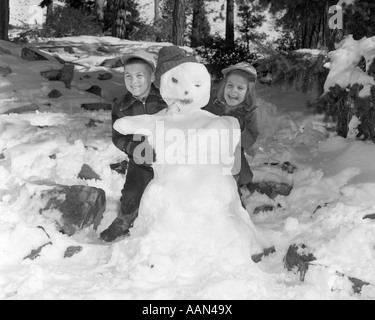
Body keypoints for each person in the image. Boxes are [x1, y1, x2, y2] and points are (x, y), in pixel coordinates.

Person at [100, 50, 168, 242]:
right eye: (128, 76)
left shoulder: (165, 99)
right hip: (140, 159)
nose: (134, 81)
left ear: (152, 76)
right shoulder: (121, 105)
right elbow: (118, 136)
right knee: (133, 190)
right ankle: (125, 219)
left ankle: (169, 221)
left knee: (169, 189)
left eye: (140, 75)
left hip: (167, 157)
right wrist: (133, 149)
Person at [204, 61, 259, 199]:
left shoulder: (248, 112)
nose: (234, 91)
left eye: (240, 88)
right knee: (213, 176)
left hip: (232, 152)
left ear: (248, 92)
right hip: (209, 151)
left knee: (242, 177)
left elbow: (251, 138)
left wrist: (237, 133)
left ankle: (232, 200)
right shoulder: (212, 103)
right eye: (230, 85)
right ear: (224, 86)